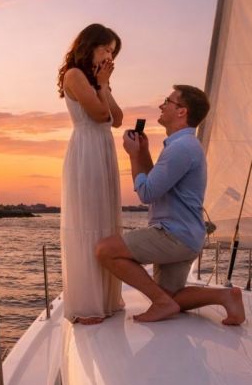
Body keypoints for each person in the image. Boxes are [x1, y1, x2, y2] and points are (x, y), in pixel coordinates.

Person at [96, 85, 245, 325]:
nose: (161, 105)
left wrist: (133, 155)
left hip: (173, 235)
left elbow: (146, 193)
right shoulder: (183, 147)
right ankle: (226, 296)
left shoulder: (181, 149)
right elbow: (156, 184)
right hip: (187, 235)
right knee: (173, 296)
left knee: (105, 250)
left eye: (168, 101)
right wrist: (143, 152)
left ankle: (161, 303)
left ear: (181, 111)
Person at [57, 23, 125, 324]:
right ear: (90, 46)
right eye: (106, 49)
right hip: (86, 149)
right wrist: (101, 85)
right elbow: (99, 115)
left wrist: (105, 85)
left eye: (113, 51)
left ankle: (107, 299)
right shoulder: (74, 75)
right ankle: (87, 304)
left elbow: (117, 119)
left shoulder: (98, 79)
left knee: (105, 221)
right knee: (87, 223)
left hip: (103, 148)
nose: (110, 56)